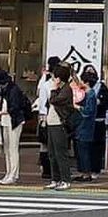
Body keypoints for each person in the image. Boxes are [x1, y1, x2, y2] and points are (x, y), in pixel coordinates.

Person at [0, 69, 30, 185]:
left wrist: (0, 113)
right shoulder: (8, 88)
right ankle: (9, 173)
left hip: (14, 121)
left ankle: (12, 174)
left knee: (12, 149)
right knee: (8, 149)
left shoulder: (13, 90)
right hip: (7, 121)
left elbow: (14, 108)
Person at [74, 67, 108, 181]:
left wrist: (79, 107)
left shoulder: (95, 90)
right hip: (87, 124)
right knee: (84, 148)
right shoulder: (84, 91)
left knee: (93, 148)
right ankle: (85, 170)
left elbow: (89, 110)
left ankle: (91, 171)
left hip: (95, 122)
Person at [45, 62, 74, 190]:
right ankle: (55, 178)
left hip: (59, 124)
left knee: (60, 153)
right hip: (51, 122)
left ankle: (65, 179)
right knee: (51, 153)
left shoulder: (66, 89)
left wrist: (53, 89)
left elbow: (54, 100)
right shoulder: (59, 89)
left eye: (54, 77)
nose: (53, 79)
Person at [35, 56, 61, 179]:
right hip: (51, 115)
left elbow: (40, 98)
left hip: (46, 115)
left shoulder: (45, 81)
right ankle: (49, 170)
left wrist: (42, 117)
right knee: (48, 144)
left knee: (45, 145)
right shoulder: (48, 81)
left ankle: (47, 170)